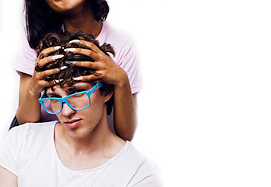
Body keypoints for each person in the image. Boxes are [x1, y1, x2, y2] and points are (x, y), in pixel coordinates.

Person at [13, 0, 141, 140]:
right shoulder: (36, 40)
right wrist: (34, 88)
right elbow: (24, 126)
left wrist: (120, 79)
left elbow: (125, 136)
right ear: (43, 2)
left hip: (89, 146)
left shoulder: (123, 45)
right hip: (43, 143)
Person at [0, 32, 160, 186]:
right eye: (55, 96)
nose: (66, 111)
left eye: (77, 93)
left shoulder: (137, 174)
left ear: (107, 91)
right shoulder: (19, 142)